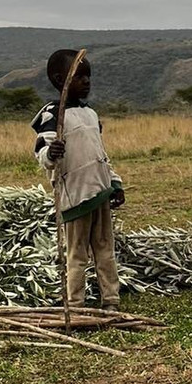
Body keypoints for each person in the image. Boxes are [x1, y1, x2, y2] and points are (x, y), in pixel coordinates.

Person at [31, 51, 125, 310]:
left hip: (100, 192)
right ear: (60, 79)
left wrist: (115, 183)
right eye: (79, 76)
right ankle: (75, 304)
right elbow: (41, 151)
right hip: (75, 196)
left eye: (88, 76)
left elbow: (100, 153)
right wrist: (51, 154)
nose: (86, 82)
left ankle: (111, 300)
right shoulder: (52, 115)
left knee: (105, 249)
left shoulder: (90, 114)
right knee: (77, 254)